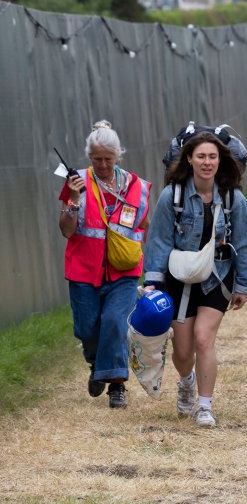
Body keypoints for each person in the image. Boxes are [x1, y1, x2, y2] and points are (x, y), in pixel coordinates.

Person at [143, 132, 247, 427]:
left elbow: (246, 243)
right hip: (179, 279)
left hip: (217, 277)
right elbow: (158, 241)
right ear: (190, 160)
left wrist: (244, 285)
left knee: (203, 339)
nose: (207, 162)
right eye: (201, 157)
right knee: (183, 352)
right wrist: (153, 283)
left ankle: (205, 406)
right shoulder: (174, 196)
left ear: (221, 161)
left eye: (212, 157)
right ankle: (186, 381)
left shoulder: (234, 198)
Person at [58, 120, 151, 409]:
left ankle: (117, 385)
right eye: (96, 159)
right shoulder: (76, 184)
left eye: (108, 159)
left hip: (123, 270)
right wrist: (74, 199)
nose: (102, 165)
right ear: (89, 157)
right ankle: (98, 365)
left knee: (114, 322)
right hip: (83, 270)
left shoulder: (134, 185)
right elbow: (66, 230)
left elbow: (145, 225)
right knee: (87, 329)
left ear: (117, 156)